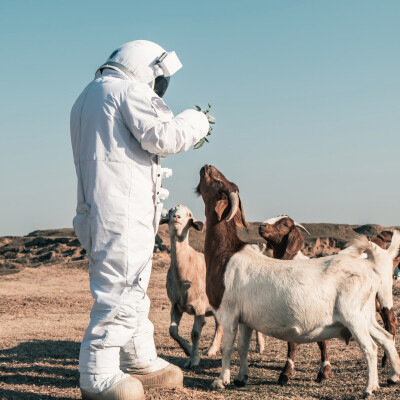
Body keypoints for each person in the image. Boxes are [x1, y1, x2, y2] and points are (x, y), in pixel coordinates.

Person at [70, 40, 210, 400]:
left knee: (131, 289)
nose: (159, 90)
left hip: (101, 209)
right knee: (119, 291)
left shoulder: (87, 97)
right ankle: (97, 374)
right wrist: (198, 120)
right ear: (148, 68)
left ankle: (137, 358)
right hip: (122, 213)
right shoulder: (127, 91)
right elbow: (163, 135)